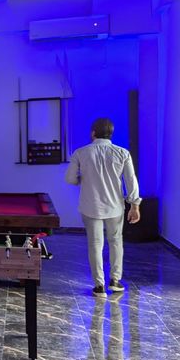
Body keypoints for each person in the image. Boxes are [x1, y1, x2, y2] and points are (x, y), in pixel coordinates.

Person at [65, 117, 140, 296]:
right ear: (111, 134)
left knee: (95, 244)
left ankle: (99, 285)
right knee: (116, 242)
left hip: (90, 206)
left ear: (93, 133)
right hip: (115, 206)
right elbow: (131, 181)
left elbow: (70, 179)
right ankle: (115, 280)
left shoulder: (80, 153)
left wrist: (81, 179)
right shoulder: (122, 153)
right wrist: (135, 205)